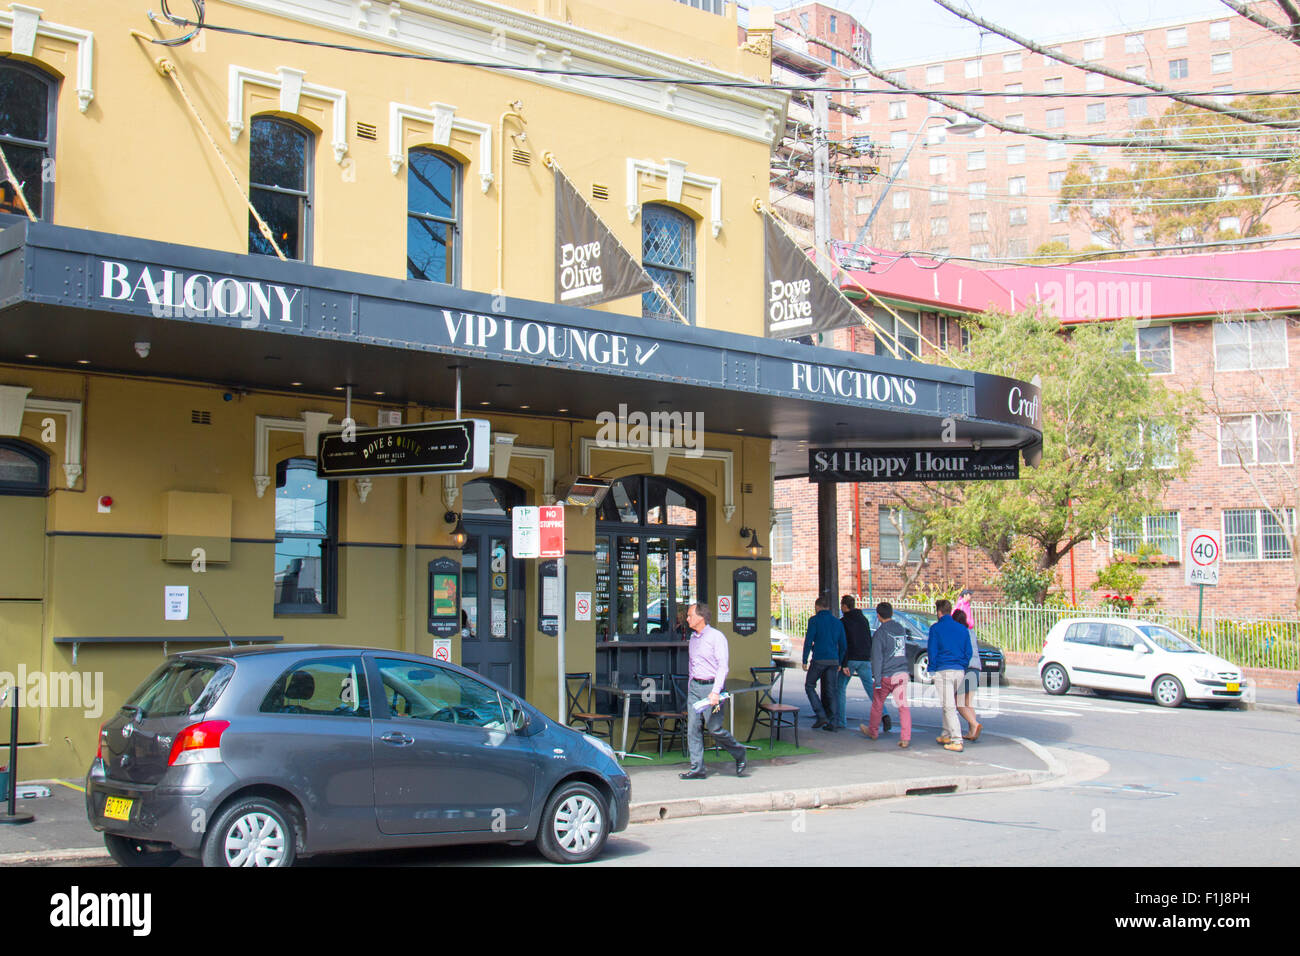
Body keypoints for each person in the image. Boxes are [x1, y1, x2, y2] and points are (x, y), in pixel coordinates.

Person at [680, 601, 748, 780]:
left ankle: (739, 752)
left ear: (700, 617)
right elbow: (693, 664)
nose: (687, 619)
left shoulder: (716, 637)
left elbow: (723, 667)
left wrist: (716, 691)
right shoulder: (693, 639)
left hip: (712, 687)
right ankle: (697, 768)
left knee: (714, 728)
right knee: (692, 728)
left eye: (690, 615)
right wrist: (691, 686)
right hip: (695, 687)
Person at [836, 595, 890, 731]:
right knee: (871, 689)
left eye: (842, 605)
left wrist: (843, 663)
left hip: (851, 658)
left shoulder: (843, 622)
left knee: (840, 687)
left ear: (844, 606)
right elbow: (868, 638)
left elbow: (844, 643)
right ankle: (884, 714)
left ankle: (841, 721)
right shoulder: (863, 619)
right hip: (865, 658)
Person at [861, 601, 911, 748]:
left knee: (877, 704)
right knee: (903, 706)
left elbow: (877, 658)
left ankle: (873, 731)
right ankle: (905, 737)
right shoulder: (900, 629)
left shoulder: (880, 633)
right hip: (901, 673)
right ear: (892, 613)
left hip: (886, 675)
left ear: (878, 616)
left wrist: (877, 680)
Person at [927, 598, 969, 752]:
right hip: (959, 670)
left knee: (949, 706)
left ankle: (957, 740)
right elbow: (968, 652)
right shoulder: (962, 629)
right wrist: (962, 665)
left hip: (943, 670)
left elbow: (932, 650)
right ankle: (946, 734)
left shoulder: (936, 629)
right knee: (948, 703)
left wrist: (931, 669)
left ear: (939, 612)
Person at [802, 593, 846, 731]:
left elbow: (809, 641)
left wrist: (804, 659)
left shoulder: (814, 620)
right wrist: (840, 661)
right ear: (828, 607)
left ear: (817, 607)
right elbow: (843, 644)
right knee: (832, 691)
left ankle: (821, 715)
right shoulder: (838, 622)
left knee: (809, 685)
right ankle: (833, 722)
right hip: (833, 660)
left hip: (819, 659)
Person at [951, 607, 982, 742]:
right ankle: (972, 731)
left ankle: (975, 724)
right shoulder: (971, 632)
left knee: (959, 702)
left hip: (966, 668)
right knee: (968, 703)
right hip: (976, 668)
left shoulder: (958, 633)